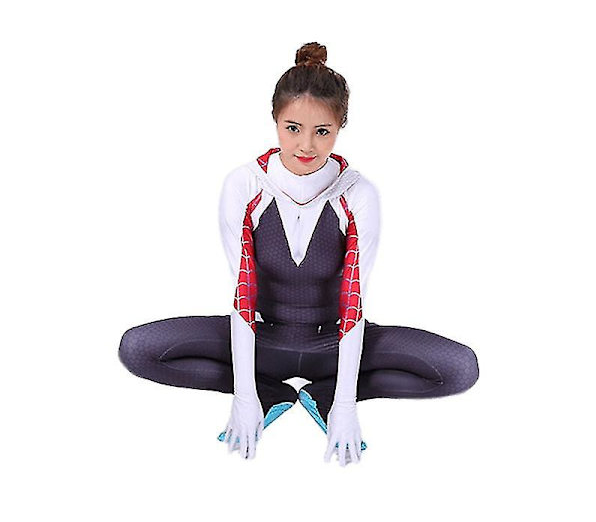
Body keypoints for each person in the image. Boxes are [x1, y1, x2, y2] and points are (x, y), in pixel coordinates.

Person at [118, 41, 479, 466]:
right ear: (275, 120)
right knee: (138, 348)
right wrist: (245, 395)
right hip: (262, 342)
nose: (306, 145)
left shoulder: (357, 194)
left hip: (335, 345)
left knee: (459, 369)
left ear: (340, 127)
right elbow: (242, 295)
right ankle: (270, 394)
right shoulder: (245, 185)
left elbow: (354, 302)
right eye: (293, 128)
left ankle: (321, 396)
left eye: (322, 131)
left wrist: (344, 404)